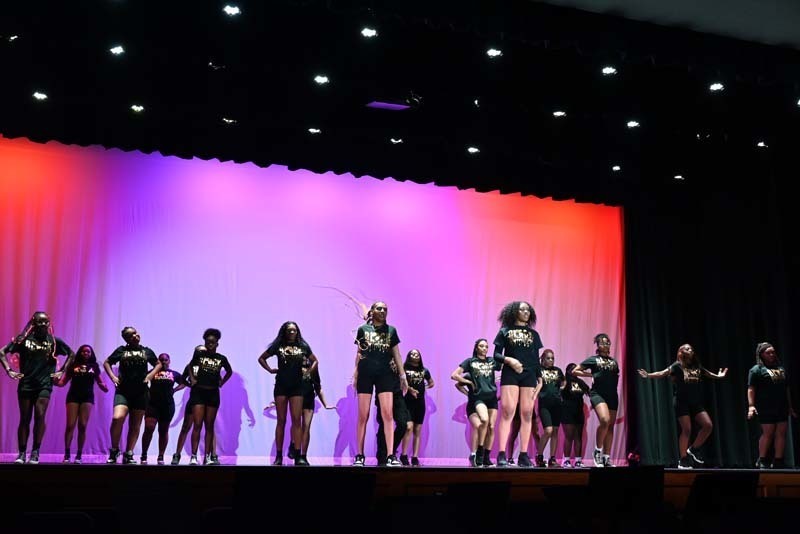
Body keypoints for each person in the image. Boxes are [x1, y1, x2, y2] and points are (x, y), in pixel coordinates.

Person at [638, 343, 728, 468]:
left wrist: (719, 376)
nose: (690, 349)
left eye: (691, 348)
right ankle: (683, 459)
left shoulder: (697, 366)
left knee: (708, 425)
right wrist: (648, 375)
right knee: (687, 429)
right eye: (686, 348)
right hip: (681, 401)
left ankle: (693, 449)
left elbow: (708, 374)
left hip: (695, 402)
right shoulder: (677, 366)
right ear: (680, 352)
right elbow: (663, 373)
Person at [1, 311, 75, 464]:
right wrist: (9, 370)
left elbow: (71, 354)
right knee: (25, 418)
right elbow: (2, 352)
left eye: (46, 321)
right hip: (26, 384)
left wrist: (61, 371)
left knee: (40, 415)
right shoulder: (23, 340)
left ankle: (35, 451)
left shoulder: (53, 341)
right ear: (33, 323)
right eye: (40, 321)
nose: (43, 324)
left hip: (44, 385)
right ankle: (22, 453)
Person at [351, 301, 408, 466]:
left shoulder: (391, 330)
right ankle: (359, 455)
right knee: (363, 415)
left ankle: (391, 455)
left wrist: (403, 376)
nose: (382, 311)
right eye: (379, 308)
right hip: (366, 373)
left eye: (385, 309)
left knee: (388, 415)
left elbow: (396, 354)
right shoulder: (363, 329)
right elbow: (359, 353)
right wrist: (355, 373)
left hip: (385, 374)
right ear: (372, 311)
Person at [258, 321, 318, 466]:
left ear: (298, 331)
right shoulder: (278, 346)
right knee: (281, 420)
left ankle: (298, 456)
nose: (292, 332)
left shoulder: (303, 346)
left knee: (297, 421)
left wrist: (309, 372)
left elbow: (315, 360)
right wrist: (270, 370)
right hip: (281, 386)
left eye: (294, 330)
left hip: (297, 386)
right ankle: (278, 456)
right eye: (289, 330)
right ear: (284, 331)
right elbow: (261, 358)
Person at [492, 301, 541, 467]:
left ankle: (523, 455)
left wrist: (539, 378)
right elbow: (496, 355)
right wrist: (509, 360)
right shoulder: (505, 331)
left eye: (528, 309)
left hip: (529, 374)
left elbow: (536, 358)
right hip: (511, 373)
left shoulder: (534, 334)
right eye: (522, 309)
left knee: (527, 413)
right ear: (514, 312)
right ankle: (501, 454)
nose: (526, 312)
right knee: (508, 411)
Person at [104, 326, 161, 464]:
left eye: (135, 333)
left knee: (135, 425)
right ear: (126, 339)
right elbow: (107, 362)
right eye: (130, 335)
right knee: (117, 418)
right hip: (123, 391)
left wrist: (149, 376)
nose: (134, 336)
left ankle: (128, 452)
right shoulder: (121, 351)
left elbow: (158, 364)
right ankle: (114, 449)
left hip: (140, 392)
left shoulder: (146, 351)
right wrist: (113, 377)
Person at [451, 338, 502, 467]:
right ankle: (479, 451)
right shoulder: (470, 362)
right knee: (484, 420)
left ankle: (486, 457)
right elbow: (454, 375)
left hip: (492, 398)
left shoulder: (491, 361)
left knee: (491, 427)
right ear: (476, 348)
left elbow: (502, 368)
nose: (484, 348)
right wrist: (468, 383)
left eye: (486, 346)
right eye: (481, 346)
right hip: (479, 398)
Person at [572, 333, 620, 467]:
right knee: (604, 420)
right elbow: (575, 371)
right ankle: (597, 452)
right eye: (602, 342)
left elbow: (614, 376)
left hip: (612, 395)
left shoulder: (614, 362)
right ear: (597, 345)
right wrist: (590, 374)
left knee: (610, 426)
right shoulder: (593, 359)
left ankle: (606, 457)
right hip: (597, 394)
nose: (605, 344)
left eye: (607, 342)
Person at [56, 344, 109, 464]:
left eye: (88, 352)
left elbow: (100, 382)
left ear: (91, 354)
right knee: (70, 425)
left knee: (83, 425)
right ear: (80, 353)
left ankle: (79, 455)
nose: (86, 354)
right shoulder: (73, 365)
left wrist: (104, 387)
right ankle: (67, 454)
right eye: (84, 352)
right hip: (73, 396)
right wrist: (55, 382)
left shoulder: (94, 366)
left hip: (87, 397)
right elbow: (63, 382)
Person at [748, 342, 797, 469]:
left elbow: (786, 389)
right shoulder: (756, 370)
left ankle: (778, 460)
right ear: (761, 354)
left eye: (773, 352)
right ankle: (762, 459)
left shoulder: (780, 368)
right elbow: (751, 389)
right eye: (768, 352)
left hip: (781, 406)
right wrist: (751, 406)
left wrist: (790, 406)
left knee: (782, 432)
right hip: (766, 406)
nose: (771, 354)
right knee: (768, 433)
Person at [188, 328, 232, 465]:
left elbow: (229, 371)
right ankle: (194, 456)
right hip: (199, 393)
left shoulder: (221, 358)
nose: (210, 344)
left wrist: (222, 382)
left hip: (213, 393)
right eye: (207, 342)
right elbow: (190, 366)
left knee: (210, 425)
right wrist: (192, 379)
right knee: (197, 424)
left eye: (212, 342)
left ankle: (207, 456)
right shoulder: (200, 355)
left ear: (217, 343)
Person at [140, 353, 187, 464]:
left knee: (163, 430)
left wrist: (174, 390)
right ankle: (144, 454)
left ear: (169, 361)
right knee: (149, 428)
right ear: (158, 361)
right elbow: (143, 381)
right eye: (161, 360)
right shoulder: (152, 372)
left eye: (166, 360)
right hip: (152, 405)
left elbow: (184, 383)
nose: (164, 362)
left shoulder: (173, 374)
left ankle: (161, 456)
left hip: (167, 405)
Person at [399, 349, 435, 466]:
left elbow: (431, 383)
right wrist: (410, 389)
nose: (415, 355)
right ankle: (403, 455)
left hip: (420, 403)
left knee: (417, 431)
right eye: (412, 354)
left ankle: (415, 457)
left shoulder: (424, 370)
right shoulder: (404, 368)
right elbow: (400, 383)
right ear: (409, 356)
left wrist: (424, 387)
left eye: (417, 354)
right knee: (408, 427)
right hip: (407, 402)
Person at [297, 361, 336, 466]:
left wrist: (325, 404)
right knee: (296, 426)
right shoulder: (293, 368)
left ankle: (303, 456)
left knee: (306, 427)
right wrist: (274, 402)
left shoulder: (313, 369)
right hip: (296, 399)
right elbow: (284, 387)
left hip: (309, 399)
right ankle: (294, 447)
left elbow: (318, 387)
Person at [375, 359, 412, 466]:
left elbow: (403, 379)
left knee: (402, 424)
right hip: (382, 394)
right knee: (383, 425)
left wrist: (409, 389)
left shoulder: (397, 360)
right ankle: (382, 454)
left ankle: (391, 452)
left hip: (397, 395)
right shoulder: (378, 359)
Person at [536, 349, 565, 467]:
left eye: (552, 358)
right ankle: (539, 456)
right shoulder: (539, 370)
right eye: (548, 358)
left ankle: (552, 459)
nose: (551, 360)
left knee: (555, 431)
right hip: (544, 404)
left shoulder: (558, 370)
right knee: (548, 430)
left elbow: (563, 382)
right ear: (543, 359)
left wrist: (560, 390)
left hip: (557, 404)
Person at [561, 362, 590, 468]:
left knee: (578, 437)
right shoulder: (564, 381)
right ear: (568, 371)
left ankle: (578, 460)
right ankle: (566, 460)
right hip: (567, 412)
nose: (574, 370)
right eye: (572, 369)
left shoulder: (580, 382)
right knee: (569, 436)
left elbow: (590, 392)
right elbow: (559, 392)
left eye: (576, 368)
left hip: (578, 412)